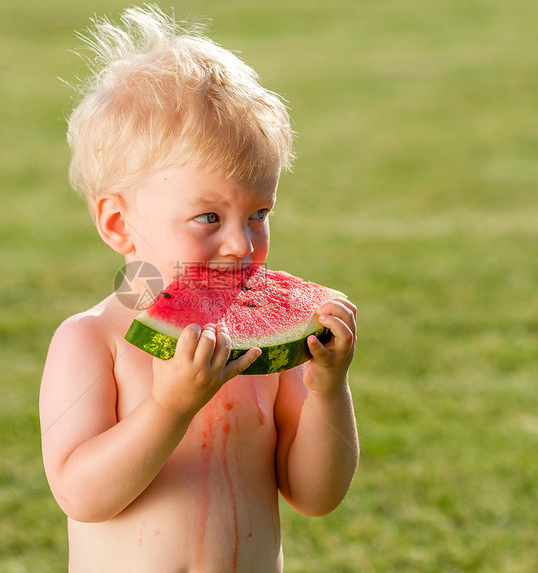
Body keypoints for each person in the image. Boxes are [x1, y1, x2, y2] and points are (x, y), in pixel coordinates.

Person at [39, 6, 359, 571]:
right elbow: (81, 495)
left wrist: (328, 388)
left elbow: (315, 496)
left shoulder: (266, 354)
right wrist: (169, 407)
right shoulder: (91, 341)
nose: (241, 244)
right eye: (208, 218)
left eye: (259, 213)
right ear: (118, 223)